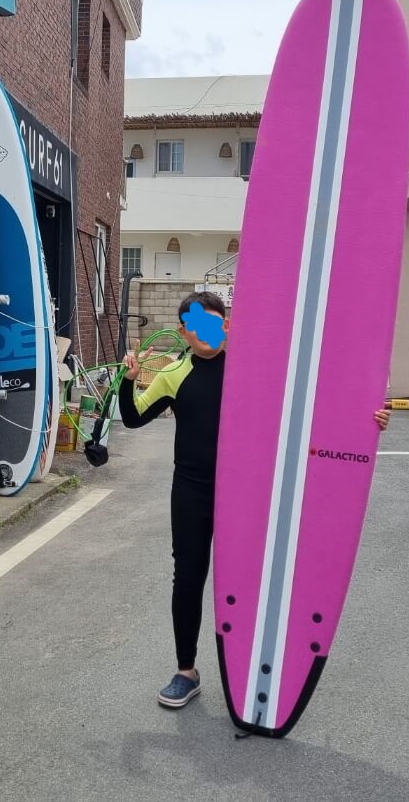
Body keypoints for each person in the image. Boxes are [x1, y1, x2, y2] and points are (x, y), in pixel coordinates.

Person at [118, 290, 390, 709]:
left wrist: (365, 417)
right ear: (182, 332)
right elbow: (134, 417)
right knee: (187, 579)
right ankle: (185, 671)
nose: (204, 332)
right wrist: (129, 378)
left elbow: (312, 403)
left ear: (227, 326)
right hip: (190, 489)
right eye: (195, 325)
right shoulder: (174, 374)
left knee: (246, 580)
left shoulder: (252, 371)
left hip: (243, 491)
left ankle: (249, 670)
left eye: (213, 323)